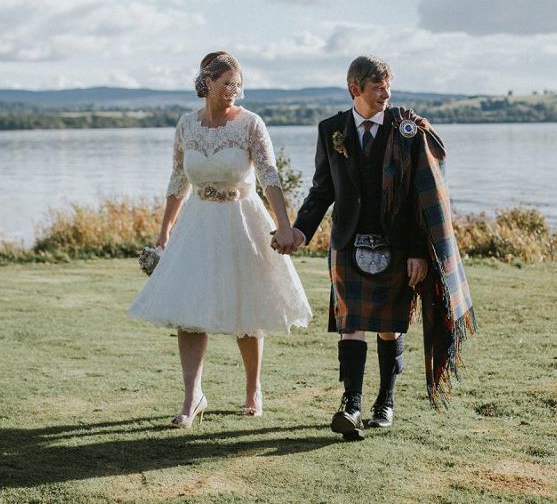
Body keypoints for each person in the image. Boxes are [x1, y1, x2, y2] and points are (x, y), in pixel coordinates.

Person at [272, 55, 476, 441]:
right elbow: (322, 191)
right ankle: (351, 403)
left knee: (389, 328)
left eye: (388, 86)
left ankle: (386, 400)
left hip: (397, 246)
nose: (386, 94)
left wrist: (418, 251)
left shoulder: (406, 130)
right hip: (347, 242)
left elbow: (420, 194)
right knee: (350, 324)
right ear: (355, 89)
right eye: (378, 87)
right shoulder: (331, 129)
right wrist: (300, 231)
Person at [128, 51, 312, 428]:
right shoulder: (186, 126)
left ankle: (253, 390)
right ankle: (193, 396)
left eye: (238, 83)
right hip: (197, 223)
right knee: (189, 310)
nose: (234, 89)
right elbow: (177, 182)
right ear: (207, 83)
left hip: (242, 219)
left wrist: (284, 225)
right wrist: (164, 232)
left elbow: (270, 177)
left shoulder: (251, 124)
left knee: (248, 306)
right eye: (227, 82)